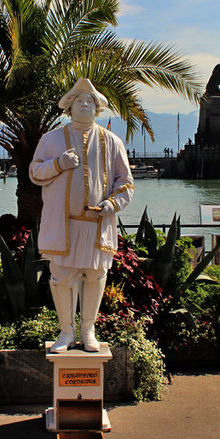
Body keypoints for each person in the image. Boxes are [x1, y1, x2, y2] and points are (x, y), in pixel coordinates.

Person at [30, 78, 134, 353]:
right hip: (63, 226)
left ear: (98, 108)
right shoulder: (51, 139)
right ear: (69, 107)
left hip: (97, 224)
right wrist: (59, 163)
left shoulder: (112, 141)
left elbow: (126, 183)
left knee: (95, 274)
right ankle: (66, 331)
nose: (85, 105)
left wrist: (113, 204)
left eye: (90, 101)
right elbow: (35, 172)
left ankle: (88, 329)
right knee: (63, 277)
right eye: (79, 101)